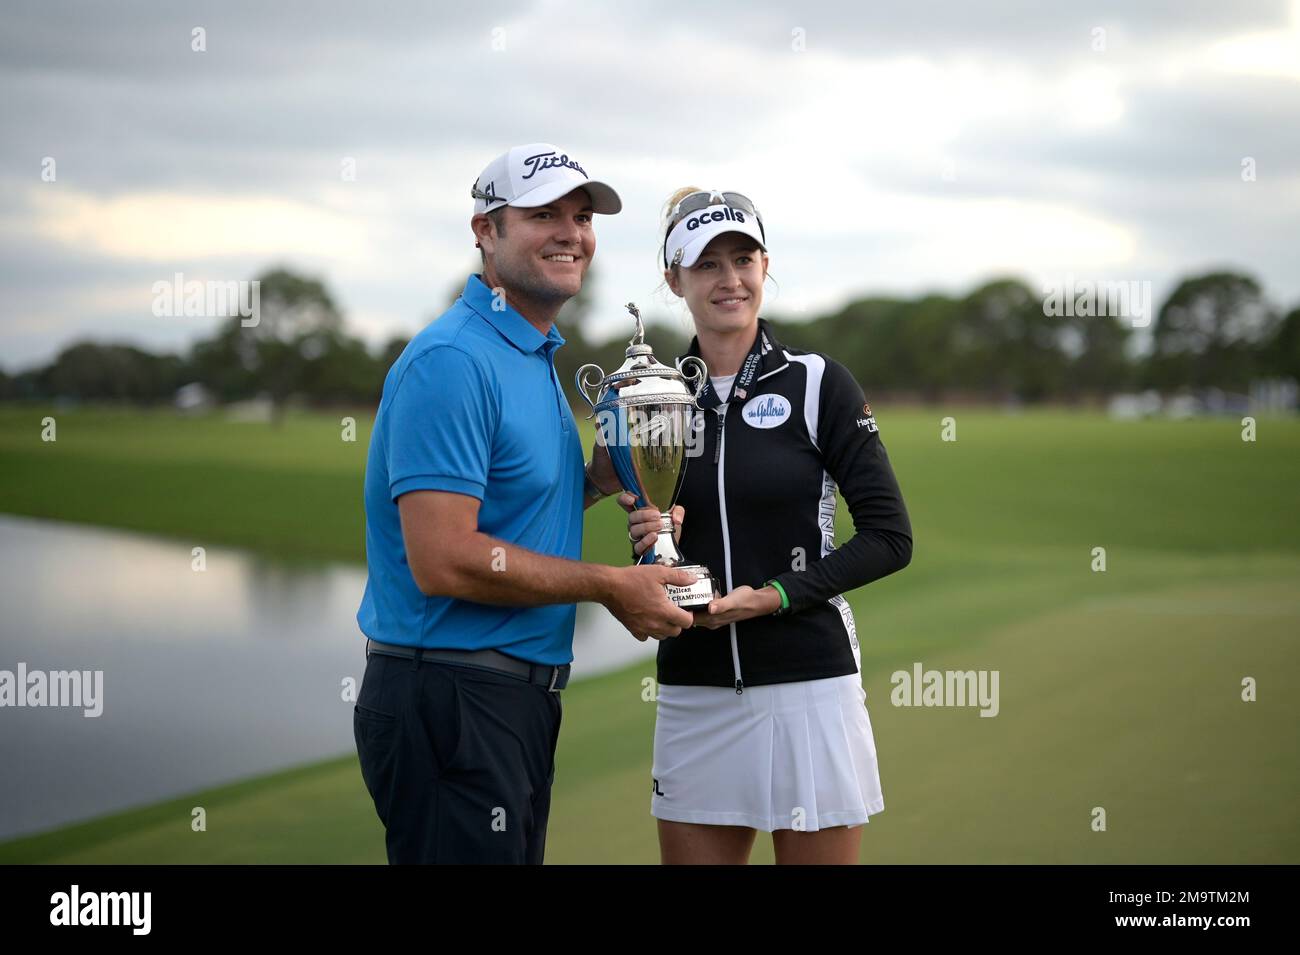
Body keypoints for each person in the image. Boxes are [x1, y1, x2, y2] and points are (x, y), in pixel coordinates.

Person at [353, 144, 696, 865]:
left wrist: (605, 478)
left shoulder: (532, 353)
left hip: (508, 697)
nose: (571, 231)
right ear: (486, 230)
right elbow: (444, 558)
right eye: (543, 215)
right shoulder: (455, 359)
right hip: (450, 691)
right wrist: (611, 585)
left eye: (581, 215)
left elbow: (511, 512)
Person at [621, 187, 913, 865]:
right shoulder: (651, 397)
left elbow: (890, 538)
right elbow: (649, 560)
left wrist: (774, 594)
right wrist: (648, 551)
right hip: (694, 693)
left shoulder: (819, 384)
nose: (729, 279)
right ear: (674, 279)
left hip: (810, 687)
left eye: (743, 258)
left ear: (765, 264)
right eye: (707, 263)